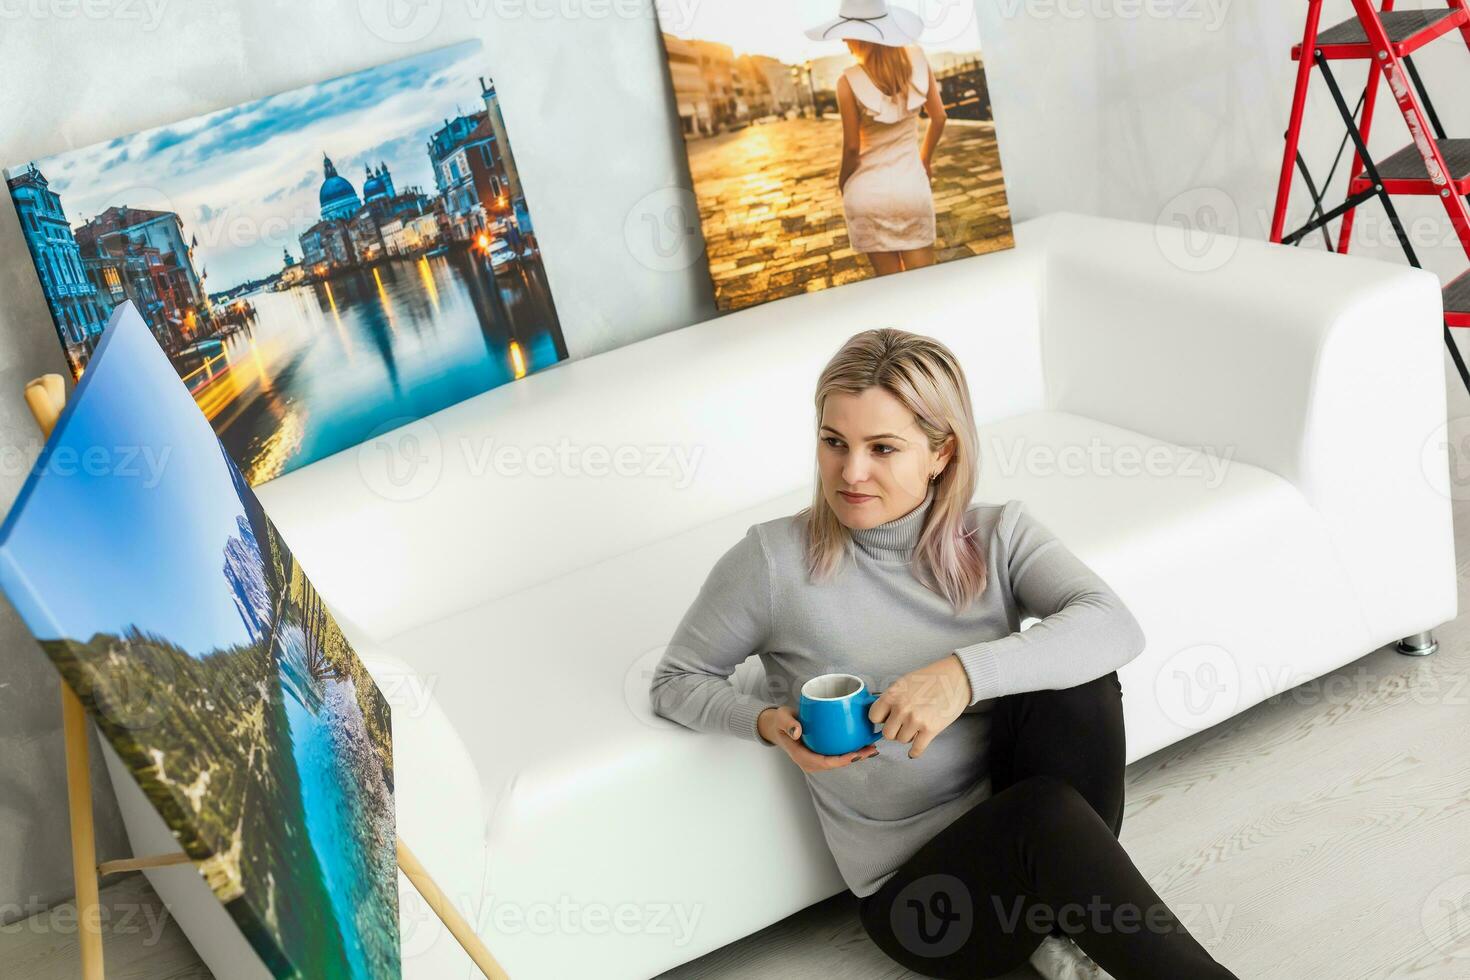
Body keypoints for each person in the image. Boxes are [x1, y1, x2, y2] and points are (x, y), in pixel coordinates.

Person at [649, 328, 1241, 979]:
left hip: (1034, 840)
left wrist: (963, 674)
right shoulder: (772, 563)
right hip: (923, 903)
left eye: (882, 448)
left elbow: (1114, 626)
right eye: (833, 442)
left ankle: (1066, 928)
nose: (851, 473)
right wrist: (765, 723)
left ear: (941, 453)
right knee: (1040, 814)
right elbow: (676, 680)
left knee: (1080, 679)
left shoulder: (996, 535)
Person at [805, 0, 946, 276]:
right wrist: (924, 160)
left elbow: (851, 148)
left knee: (890, 290)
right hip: (911, 188)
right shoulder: (918, 60)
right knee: (924, 285)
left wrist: (843, 182)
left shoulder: (847, 82)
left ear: (861, 36)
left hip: (867, 194)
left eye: (848, 32)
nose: (844, 38)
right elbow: (939, 117)